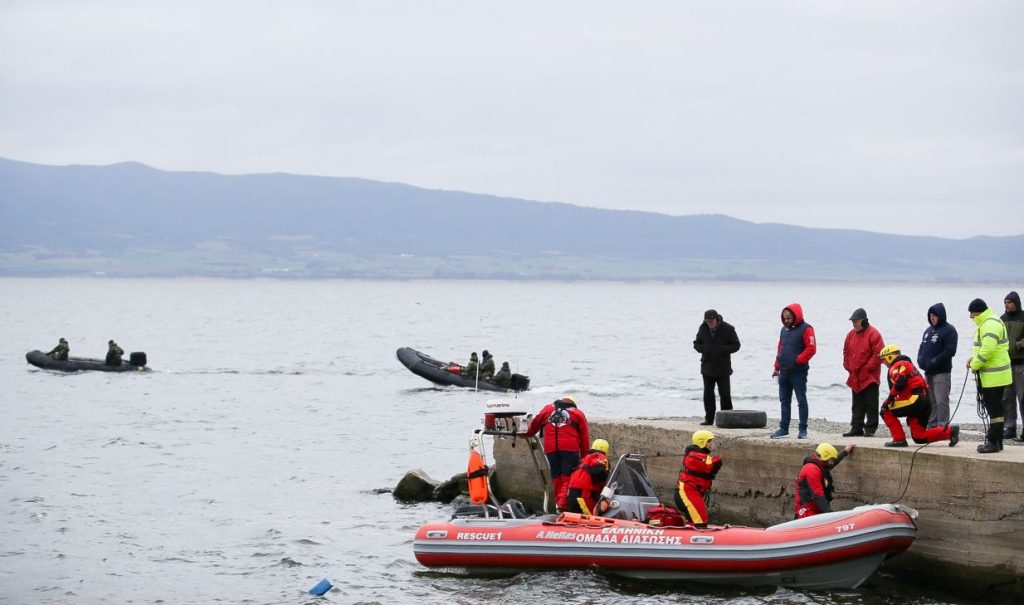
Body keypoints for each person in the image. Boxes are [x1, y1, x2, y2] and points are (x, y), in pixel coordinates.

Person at [879, 344, 959, 448]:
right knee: (919, 437)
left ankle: (899, 440)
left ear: (890, 357)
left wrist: (888, 400)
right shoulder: (908, 364)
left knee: (885, 410)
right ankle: (951, 432)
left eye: (884, 359)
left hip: (915, 400)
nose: (883, 362)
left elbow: (900, 382)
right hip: (925, 402)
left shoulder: (897, 365)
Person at [524, 397, 590, 511]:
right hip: (570, 448)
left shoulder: (547, 409)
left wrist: (528, 433)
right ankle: (562, 506)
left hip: (551, 449)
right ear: (573, 404)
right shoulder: (578, 413)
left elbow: (535, 423)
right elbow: (584, 439)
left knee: (556, 477)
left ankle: (558, 504)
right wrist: (585, 458)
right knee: (567, 477)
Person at [968, 299, 1013, 453]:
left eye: (972, 313)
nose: (970, 317)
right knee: (996, 409)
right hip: (995, 375)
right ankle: (998, 441)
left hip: (994, 376)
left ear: (978, 312)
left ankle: (993, 441)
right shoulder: (990, 322)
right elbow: (984, 349)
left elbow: (988, 350)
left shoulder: (989, 324)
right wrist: (973, 360)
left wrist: (974, 365)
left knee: (994, 411)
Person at [770, 303, 816, 439]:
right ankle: (783, 428)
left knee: (801, 400)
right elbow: (780, 349)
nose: (786, 321)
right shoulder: (783, 330)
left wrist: (798, 360)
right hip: (784, 372)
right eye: (784, 318)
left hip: (798, 372)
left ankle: (803, 430)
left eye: (789, 318)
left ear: (796, 316)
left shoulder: (807, 329)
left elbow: (811, 348)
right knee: (784, 401)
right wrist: (776, 367)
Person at [693, 309, 741, 426]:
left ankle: (727, 419)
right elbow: (696, 343)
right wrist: (705, 349)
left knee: (725, 394)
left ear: (717, 319)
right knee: (708, 394)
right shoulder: (703, 328)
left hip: (723, 368)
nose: (709, 323)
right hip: (707, 366)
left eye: (711, 320)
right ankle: (709, 419)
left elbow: (736, 345)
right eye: (707, 321)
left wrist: (722, 349)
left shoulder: (728, 328)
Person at [842, 308, 884, 437]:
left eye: (856, 321)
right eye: (853, 321)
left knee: (871, 403)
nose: (854, 324)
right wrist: (847, 365)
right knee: (857, 403)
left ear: (864, 321)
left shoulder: (874, 334)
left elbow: (879, 354)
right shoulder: (850, 335)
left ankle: (870, 428)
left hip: (870, 376)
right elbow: (845, 351)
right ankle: (856, 427)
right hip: (855, 375)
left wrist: (867, 368)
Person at [917, 303, 958, 429]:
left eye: (935, 315)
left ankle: (943, 426)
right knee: (931, 400)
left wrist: (935, 361)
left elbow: (950, 351)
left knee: (941, 401)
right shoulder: (928, 331)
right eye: (931, 316)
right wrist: (919, 358)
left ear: (941, 316)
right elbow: (922, 347)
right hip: (928, 372)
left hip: (942, 372)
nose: (932, 318)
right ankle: (932, 424)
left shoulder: (949, 330)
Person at [674, 429, 722, 528]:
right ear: (702, 442)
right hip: (686, 494)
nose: (711, 444)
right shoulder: (694, 456)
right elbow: (712, 464)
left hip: (694, 493)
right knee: (700, 523)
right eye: (709, 441)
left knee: (700, 521)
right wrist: (718, 459)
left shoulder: (699, 454)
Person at [794, 442, 856, 519]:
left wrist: (845, 452)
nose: (832, 462)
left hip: (816, 506)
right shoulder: (811, 469)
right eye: (831, 459)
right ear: (825, 457)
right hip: (807, 508)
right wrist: (829, 515)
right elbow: (818, 494)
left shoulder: (820, 465)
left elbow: (832, 463)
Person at [1000, 292, 1024, 441]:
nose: (1007, 305)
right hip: (1006, 364)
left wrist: (1018, 345)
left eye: (1009, 302)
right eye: (1005, 302)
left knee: (1023, 398)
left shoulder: (1023, 317)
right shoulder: (1001, 319)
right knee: (1007, 398)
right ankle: (1010, 427)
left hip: (1021, 363)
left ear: (1016, 303)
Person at [566, 439, 610, 516]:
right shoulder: (603, 459)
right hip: (584, 497)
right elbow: (605, 478)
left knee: (573, 520)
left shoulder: (583, 460)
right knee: (589, 521)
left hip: (571, 496)